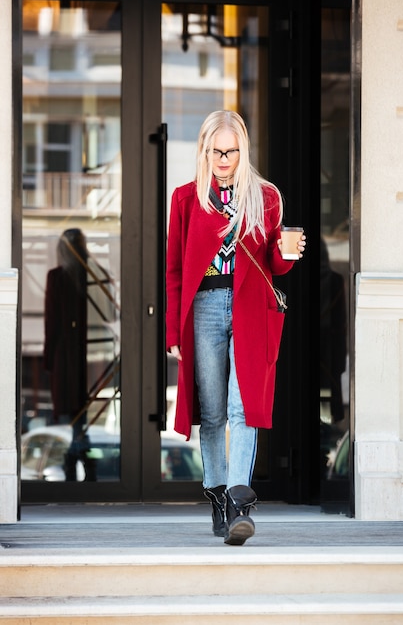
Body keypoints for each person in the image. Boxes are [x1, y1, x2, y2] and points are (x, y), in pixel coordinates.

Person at [165, 110, 306, 545]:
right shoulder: (187, 199)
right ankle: (216, 499)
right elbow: (173, 271)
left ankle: (237, 503)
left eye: (232, 150)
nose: (224, 158)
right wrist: (173, 332)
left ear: (244, 149)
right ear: (204, 150)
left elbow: (273, 266)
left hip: (249, 307)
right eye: (216, 150)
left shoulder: (265, 198)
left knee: (244, 408)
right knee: (212, 413)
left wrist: (289, 253)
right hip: (204, 306)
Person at [44, 228, 117, 481]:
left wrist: (49, 359)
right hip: (96, 355)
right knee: (81, 415)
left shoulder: (59, 277)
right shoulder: (97, 275)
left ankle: (76, 465)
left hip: (70, 357)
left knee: (78, 412)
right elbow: (111, 314)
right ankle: (84, 463)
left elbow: (51, 323)